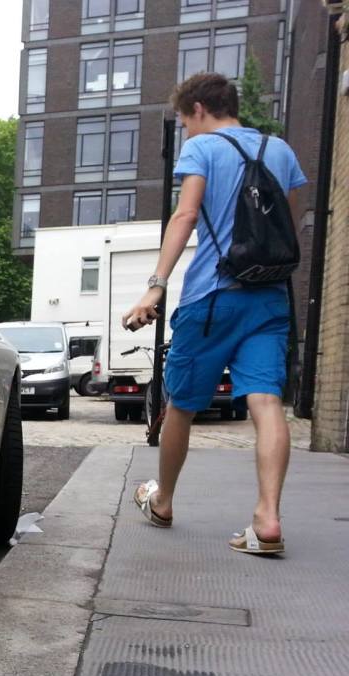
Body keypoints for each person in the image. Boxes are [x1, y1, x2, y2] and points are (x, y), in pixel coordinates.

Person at [122, 72, 306, 555]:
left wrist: (154, 288)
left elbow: (185, 215)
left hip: (212, 296)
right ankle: (268, 518)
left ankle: (163, 502)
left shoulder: (202, 149)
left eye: (183, 120)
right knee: (265, 402)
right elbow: (286, 224)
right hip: (268, 296)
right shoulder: (281, 151)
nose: (184, 129)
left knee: (181, 402)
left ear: (199, 109)